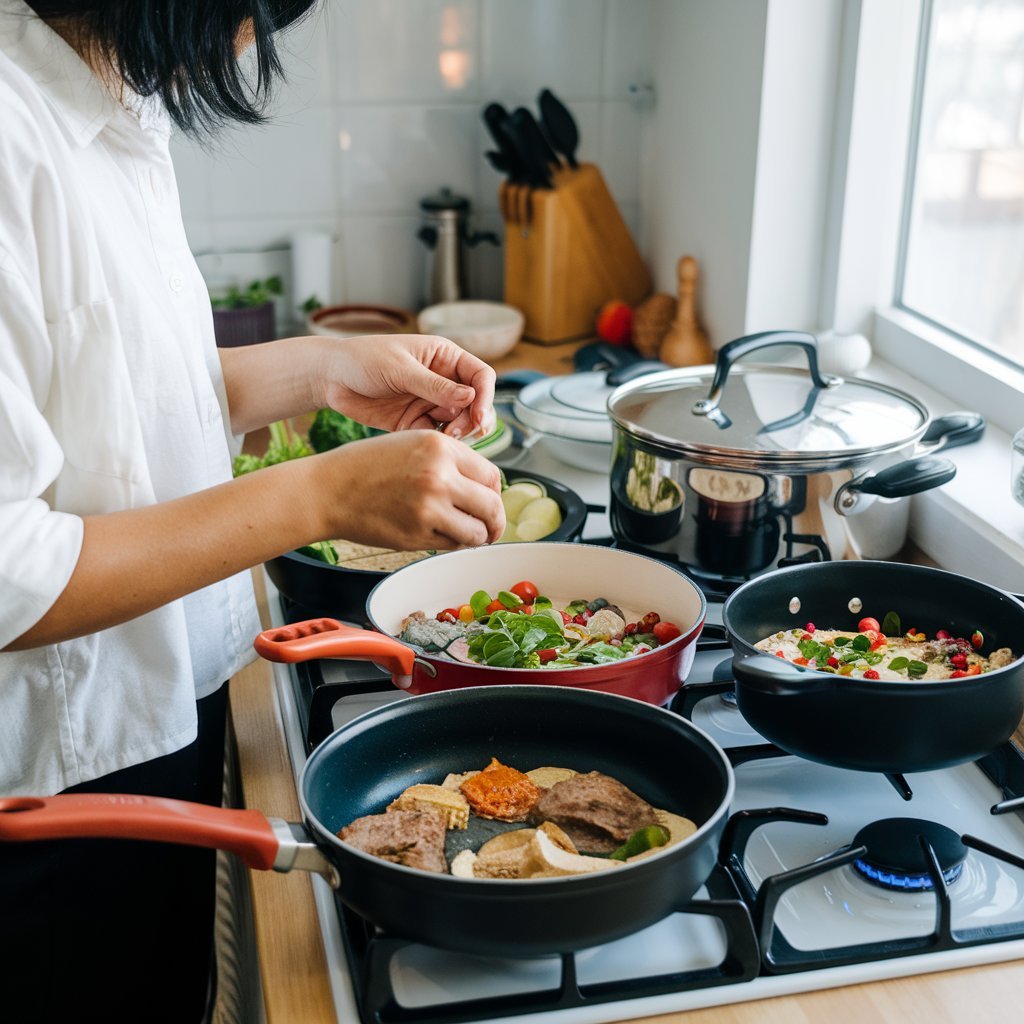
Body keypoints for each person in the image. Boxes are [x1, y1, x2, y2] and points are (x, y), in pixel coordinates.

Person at [0, 1, 505, 1019]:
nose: (255, 34)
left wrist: (324, 370)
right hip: (46, 801)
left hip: (145, 732)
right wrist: (324, 490)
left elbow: (101, 401)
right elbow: (12, 571)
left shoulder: (103, 107)